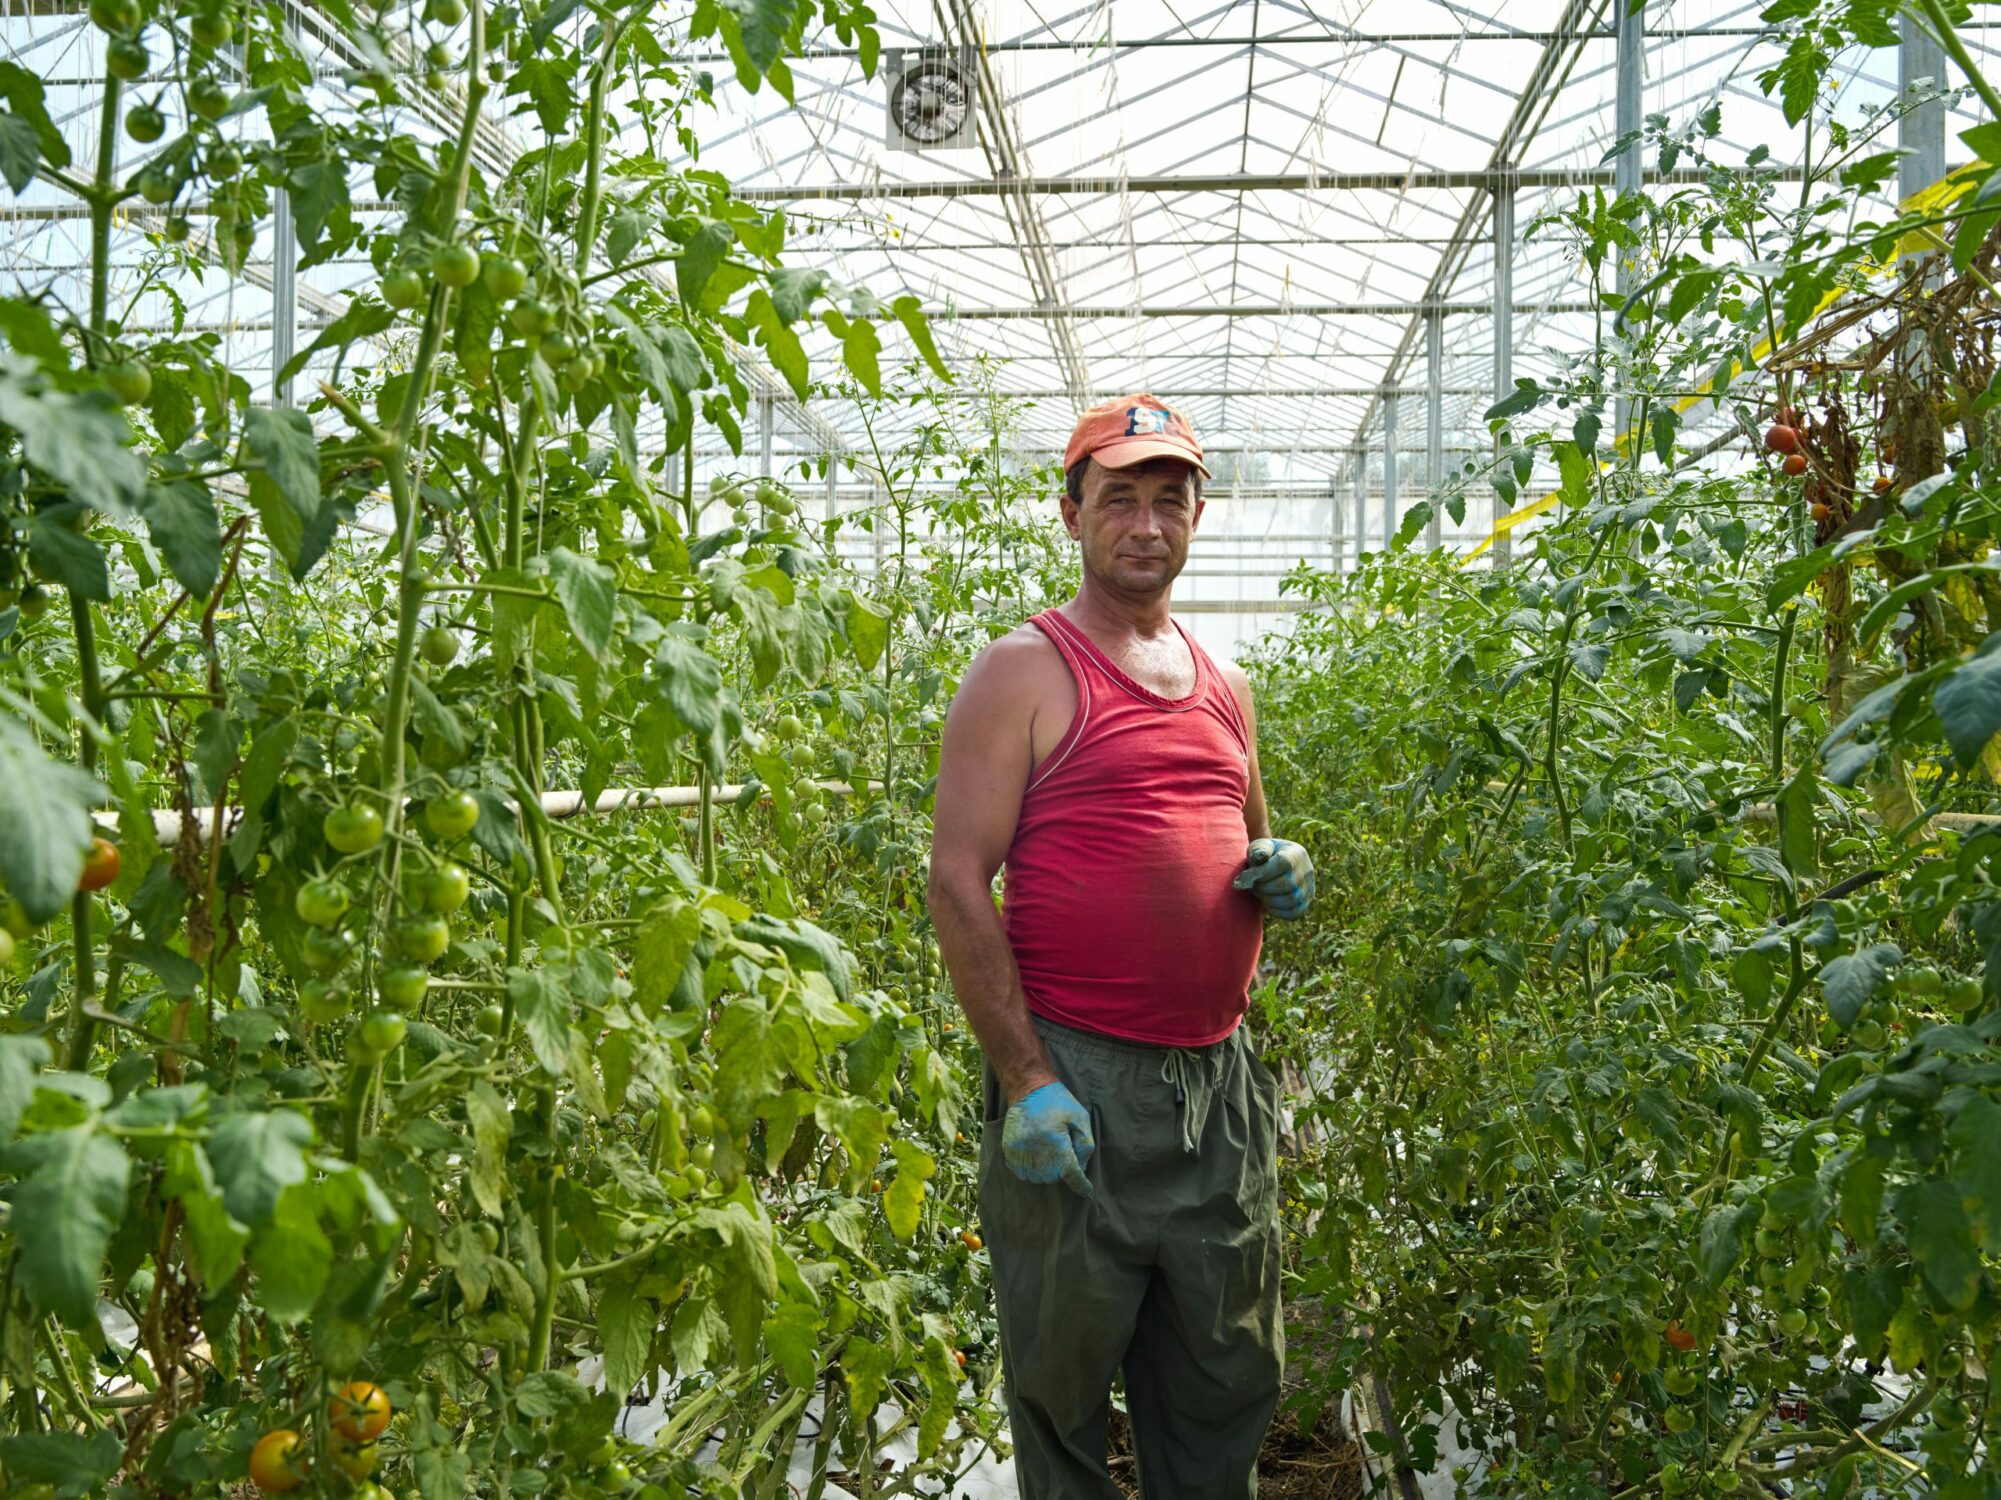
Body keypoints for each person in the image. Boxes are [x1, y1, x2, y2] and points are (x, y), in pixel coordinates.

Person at [927, 394, 1316, 1499]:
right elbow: (958, 882)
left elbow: (1249, 837)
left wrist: (1283, 865)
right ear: (1071, 514)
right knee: (1061, 1382)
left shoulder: (1226, 685)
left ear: (1198, 515)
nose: (1145, 524)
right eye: (1119, 500)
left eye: (1168, 500)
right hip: (1079, 1083)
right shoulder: (1023, 671)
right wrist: (1027, 1078)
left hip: (1219, 1091)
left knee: (1225, 1373)